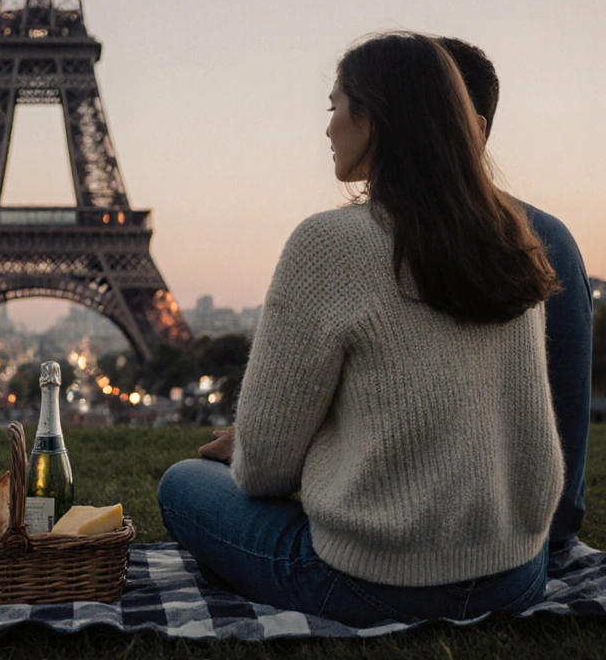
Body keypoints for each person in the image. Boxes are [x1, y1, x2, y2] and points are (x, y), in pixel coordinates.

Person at [156, 31, 565, 627]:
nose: (327, 129)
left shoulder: (328, 243)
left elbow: (265, 469)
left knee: (182, 484)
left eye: (335, 107)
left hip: (379, 586)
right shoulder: (512, 238)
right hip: (518, 574)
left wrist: (262, 447)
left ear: (373, 117)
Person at [436, 37, 592, 549]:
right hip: (536, 537)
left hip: (420, 535)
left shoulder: (374, 242)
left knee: (187, 485)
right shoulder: (550, 239)